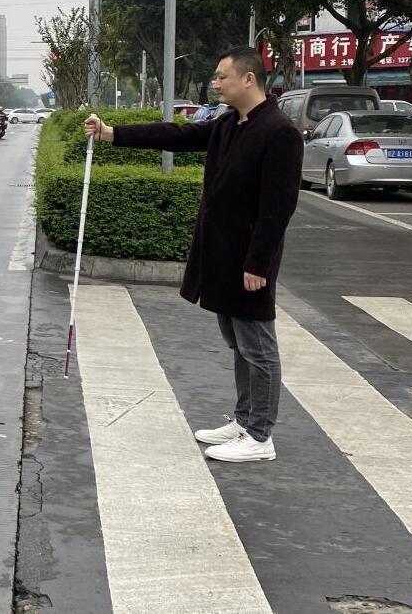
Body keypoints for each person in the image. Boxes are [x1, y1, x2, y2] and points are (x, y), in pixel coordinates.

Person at [83, 46, 303, 464]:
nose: (215, 83)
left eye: (222, 77)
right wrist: (113, 133)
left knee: (258, 347)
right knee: (239, 343)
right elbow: (180, 135)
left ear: (249, 79)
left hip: (250, 260)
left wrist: (258, 262)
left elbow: (278, 206)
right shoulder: (229, 124)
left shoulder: (279, 133)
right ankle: (244, 420)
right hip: (221, 254)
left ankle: (260, 435)